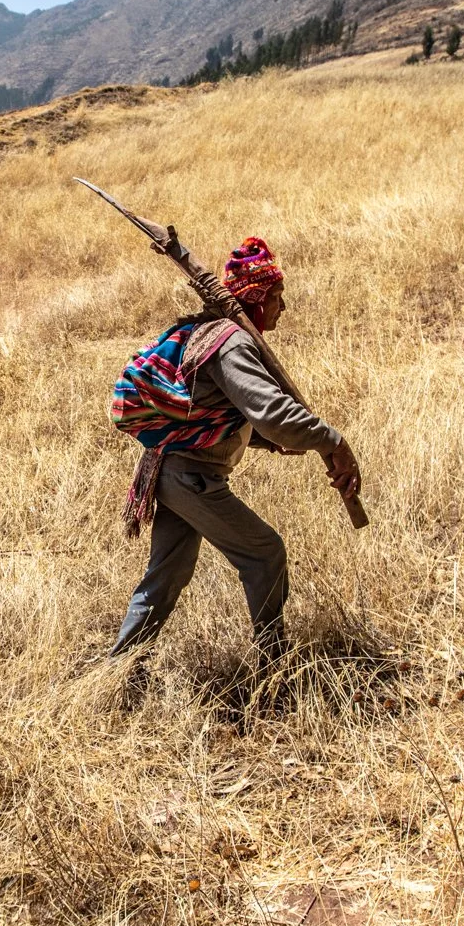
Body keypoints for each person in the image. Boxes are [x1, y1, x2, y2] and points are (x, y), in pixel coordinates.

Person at [111, 237, 361, 660]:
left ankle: (120, 669)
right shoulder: (231, 342)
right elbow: (272, 411)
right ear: (258, 299)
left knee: (165, 577)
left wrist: (264, 441)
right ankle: (273, 662)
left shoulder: (210, 333)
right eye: (277, 297)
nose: (284, 307)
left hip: (168, 471)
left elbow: (220, 405)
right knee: (265, 555)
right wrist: (334, 441)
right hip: (191, 477)